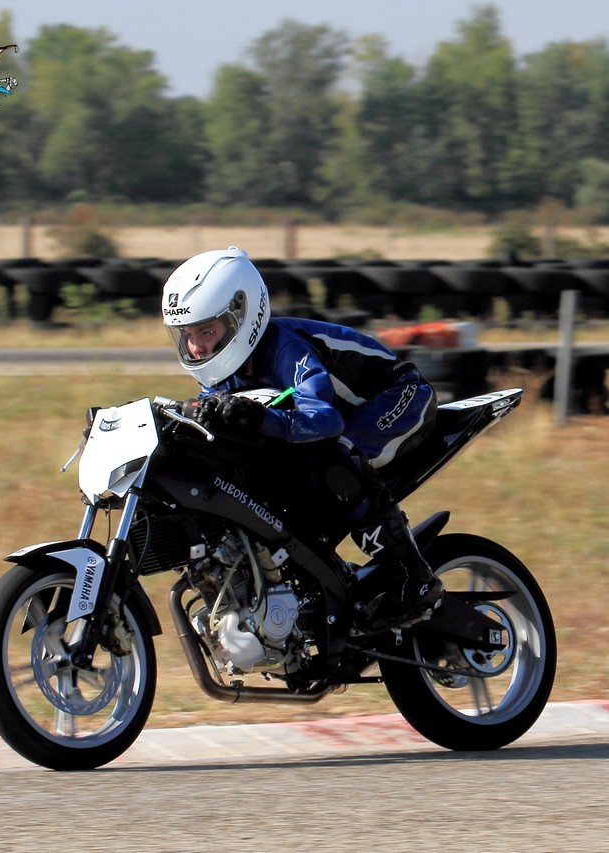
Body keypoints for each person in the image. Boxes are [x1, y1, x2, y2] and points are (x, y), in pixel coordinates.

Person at [161, 246, 442, 632]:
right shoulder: (223, 375)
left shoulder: (285, 347)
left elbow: (324, 422)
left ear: (242, 316)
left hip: (399, 397)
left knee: (334, 456)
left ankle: (412, 577)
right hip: (347, 417)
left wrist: (258, 417)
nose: (196, 347)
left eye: (206, 331)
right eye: (188, 335)